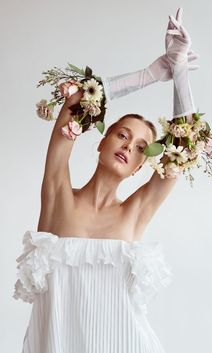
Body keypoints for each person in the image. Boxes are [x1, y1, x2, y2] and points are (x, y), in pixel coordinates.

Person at [13, 8, 198, 353]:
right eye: (122, 135)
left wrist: (181, 69)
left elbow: (185, 150)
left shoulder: (135, 211)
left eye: (141, 147)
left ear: (141, 167)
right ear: (100, 140)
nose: (129, 146)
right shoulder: (58, 195)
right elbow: (75, 103)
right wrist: (149, 74)